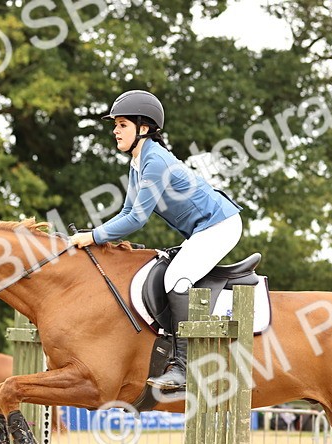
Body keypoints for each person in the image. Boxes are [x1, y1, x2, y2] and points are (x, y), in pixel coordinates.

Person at [69, 90, 243, 392]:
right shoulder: (138, 163)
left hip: (220, 226)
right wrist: (95, 235)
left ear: (144, 129)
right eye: (115, 125)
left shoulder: (155, 161)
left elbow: (137, 219)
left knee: (176, 278)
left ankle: (184, 368)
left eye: (122, 124)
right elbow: (126, 211)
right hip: (203, 230)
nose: (115, 131)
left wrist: (93, 236)